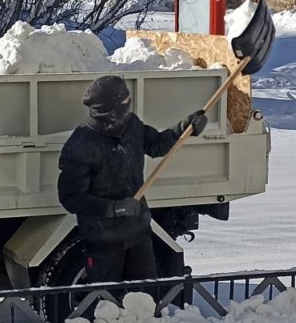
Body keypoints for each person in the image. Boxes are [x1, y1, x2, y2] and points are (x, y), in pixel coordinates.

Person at [57, 75, 207, 284]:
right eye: (122, 105)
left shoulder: (132, 125)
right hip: (103, 239)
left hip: (138, 231)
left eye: (128, 102)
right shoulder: (81, 145)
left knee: (144, 295)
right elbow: (72, 198)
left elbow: (156, 145)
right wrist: (116, 208)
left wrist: (184, 129)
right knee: (107, 297)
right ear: (105, 110)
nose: (127, 109)